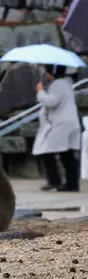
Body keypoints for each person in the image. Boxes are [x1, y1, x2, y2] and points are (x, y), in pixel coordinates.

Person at [33, 64, 81, 192]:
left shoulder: (57, 84)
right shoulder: (67, 84)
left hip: (61, 123)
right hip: (71, 122)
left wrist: (40, 91)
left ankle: (54, 181)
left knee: (46, 150)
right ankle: (72, 184)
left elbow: (51, 102)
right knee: (67, 153)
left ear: (50, 74)